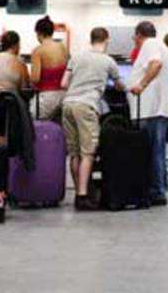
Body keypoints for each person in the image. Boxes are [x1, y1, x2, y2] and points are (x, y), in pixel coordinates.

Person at [61, 27, 125, 210]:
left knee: (74, 153)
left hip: (68, 104)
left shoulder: (77, 56)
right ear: (106, 40)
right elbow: (120, 85)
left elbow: (64, 83)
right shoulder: (108, 61)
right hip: (87, 106)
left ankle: (78, 192)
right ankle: (83, 196)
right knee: (88, 152)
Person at [128, 21, 168, 206]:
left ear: (140, 35)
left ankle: (156, 191)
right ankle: (160, 187)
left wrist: (141, 85)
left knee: (152, 151)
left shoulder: (151, 44)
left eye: (135, 38)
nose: (135, 41)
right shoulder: (164, 47)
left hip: (151, 109)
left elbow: (155, 64)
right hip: (158, 109)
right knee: (158, 151)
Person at [30, 16, 67, 120]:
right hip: (64, 95)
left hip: (48, 96)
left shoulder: (38, 51)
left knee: (32, 120)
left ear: (39, 33)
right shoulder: (62, 47)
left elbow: (35, 79)